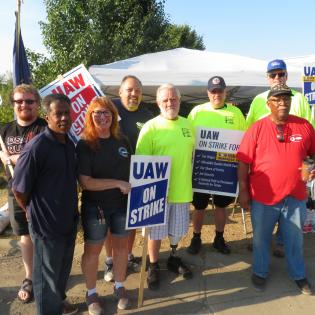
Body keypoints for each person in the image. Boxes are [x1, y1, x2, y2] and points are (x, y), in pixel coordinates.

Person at [237, 84, 315, 295]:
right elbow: (243, 161)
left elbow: (312, 155)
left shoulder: (305, 126)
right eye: (277, 99)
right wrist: (243, 190)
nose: (283, 102)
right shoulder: (257, 128)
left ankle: (298, 274)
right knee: (261, 238)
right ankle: (260, 272)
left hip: (295, 196)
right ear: (268, 104)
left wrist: (310, 168)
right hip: (264, 197)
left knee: (295, 239)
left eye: (286, 99)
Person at [12, 93, 79, 315]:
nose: (63, 118)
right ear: (47, 116)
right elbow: (19, 189)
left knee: (61, 272)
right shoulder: (36, 148)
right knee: (45, 278)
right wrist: (31, 211)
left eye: (66, 113)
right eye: (58, 114)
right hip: (45, 225)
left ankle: (58, 303)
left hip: (68, 221)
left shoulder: (68, 143)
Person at [246, 59, 314, 258]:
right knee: (264, 214)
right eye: (273, 75)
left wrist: (306, 171)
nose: (277, 78)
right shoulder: (259, 100)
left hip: (294, 177)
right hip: (265, 176)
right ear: (267, 78)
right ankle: (262, 241)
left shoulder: (299, 98)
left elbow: (310, 139)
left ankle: (282, 243)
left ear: (287, 75)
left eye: (281, 74)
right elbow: (249, 130)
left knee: (291, 210)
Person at [136, 83, 195, 290]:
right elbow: (142, 164)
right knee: (155, 234)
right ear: (158, 103)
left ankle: (173, 258)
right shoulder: (150, 127)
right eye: (165, 100)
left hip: (182, 190)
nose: (170, 102)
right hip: (157, 193)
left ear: (179, 101)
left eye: (174, 99)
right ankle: (152, 265)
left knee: (176, 231)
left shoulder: (189, 125)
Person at [77, 96, 132, 313]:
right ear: (90, 116)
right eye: (97, 112)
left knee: (121, 248)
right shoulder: (85, 144)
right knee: (92, 251)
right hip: (95, 208)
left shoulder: (123, 141)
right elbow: (86, 182)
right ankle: (91, 294)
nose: (102, 117)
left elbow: (132, 172)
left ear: (113, 116)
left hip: (121, 205)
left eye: (106, 112)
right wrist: (117, 183)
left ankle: (119, 287)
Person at [187, 76, 246, 255]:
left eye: (219, 91)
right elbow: (188, 137)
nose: (216, 95)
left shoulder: (235, 114)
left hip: (225, 168)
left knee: (221, 206)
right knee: (199, 206)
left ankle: (219, 238)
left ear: (225, 92)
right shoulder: (197, 111)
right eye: (213, 92)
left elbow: (243, 140)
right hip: (202, 167)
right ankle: (196, 237)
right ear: (208, 93)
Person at [103, 75, 153, 282]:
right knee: (108, 221)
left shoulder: (148, 114)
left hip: (135, 177)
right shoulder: (108, 107)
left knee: (132, 220)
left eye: (137, 91)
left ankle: (128, 255)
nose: (134, 94)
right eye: (129, 90)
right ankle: (109, 261)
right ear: (120, 91)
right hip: (108, 175)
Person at [0, 84, 46, 304]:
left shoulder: (45, 127)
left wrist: (12, 158)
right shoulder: (4, 131)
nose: (24, 105)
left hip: (42, 192)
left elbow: (39, 155)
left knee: (44, 235)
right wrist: (3, 157)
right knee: (25, 237)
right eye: (19, 101)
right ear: (13, 104)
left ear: (37, 104)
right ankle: (29, 277)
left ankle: (47, 275)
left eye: (29, 101)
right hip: (16, 191)